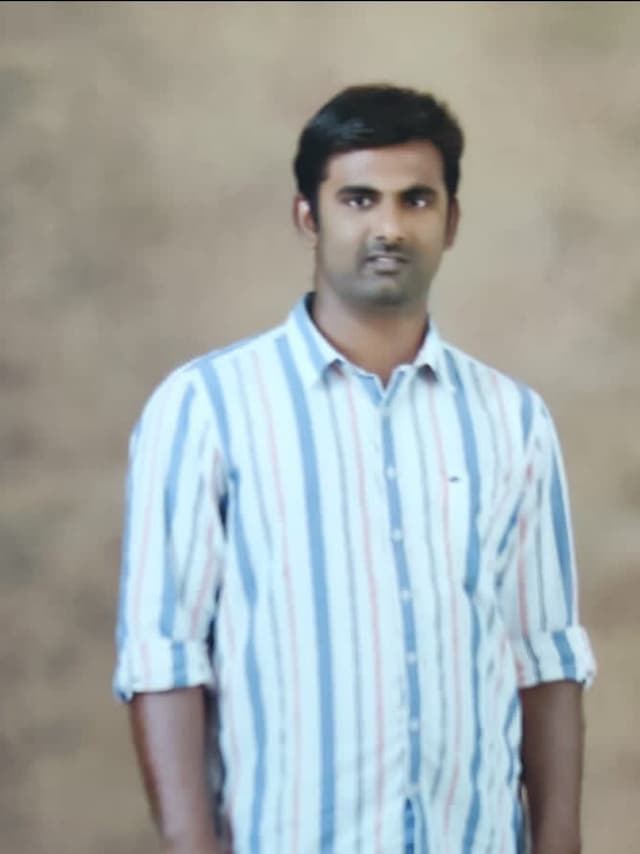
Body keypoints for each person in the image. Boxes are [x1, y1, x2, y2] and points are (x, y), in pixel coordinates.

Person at [113, 84, 596, 854]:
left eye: (416, 200)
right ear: (309, 216)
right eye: (359, 199)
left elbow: (545, 655)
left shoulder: (513, 420)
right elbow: (163, 657)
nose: (389, 228)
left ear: (452, 221)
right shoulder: (206, 408)